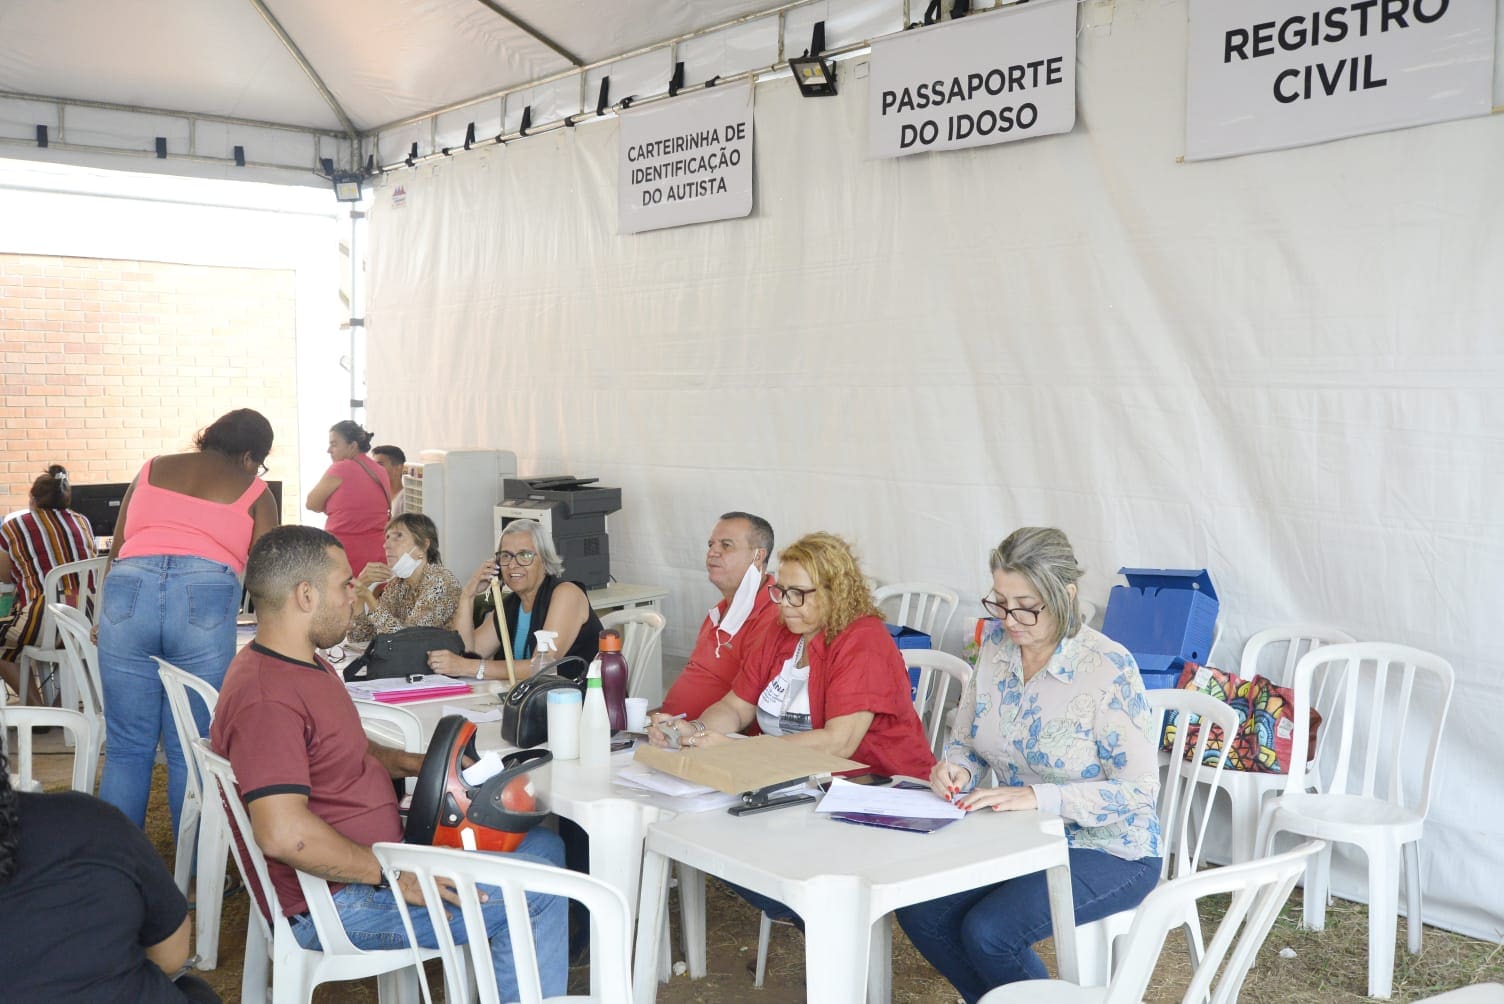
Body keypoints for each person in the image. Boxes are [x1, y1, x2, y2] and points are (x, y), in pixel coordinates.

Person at [210, 526, 566, 997]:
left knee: (543, 848)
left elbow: (353, 751)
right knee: (540, 891)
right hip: (340, 900)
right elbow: (283, 834)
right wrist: (395, 875)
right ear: (305, 595)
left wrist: (426, 764)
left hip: (373, 865)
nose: (353, 596)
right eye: (345, 585)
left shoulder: (305, 664)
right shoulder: (267, 698)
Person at [895, 527, 1163, 1002]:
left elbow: (1139, 790)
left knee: (989, 932)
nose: (1009, 619)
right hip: (1022, 838)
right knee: (922, 912)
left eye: (1025, 605)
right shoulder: (996, 648)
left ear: (1066, 595)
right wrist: (955, 768)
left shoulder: (1107, 667)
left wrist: (1038, 797)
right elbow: (968, 741)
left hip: (1111, 847)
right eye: (999, 602)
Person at [98, 409, 278, 835]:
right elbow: (268, 576)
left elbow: (118, 548)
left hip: (128, 590)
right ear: (250, 456)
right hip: (203, 594)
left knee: (126, 746)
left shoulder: (151, 469)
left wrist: (103, 615)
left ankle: (113, 863)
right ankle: (193, 866)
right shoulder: (256, 491)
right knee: (192, 746)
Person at [649, 531, 934, 779]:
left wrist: (739, 750)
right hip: (794, 776)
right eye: (781, 591)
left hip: (879, 786)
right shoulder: (781, 630)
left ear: (834, 593)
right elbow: (735, 707)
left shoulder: (864, 642)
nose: (784, 604)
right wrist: (694, 730)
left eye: (797, 593)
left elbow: (838, 743)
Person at [0, 751, 221, 1003]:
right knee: (178, 757)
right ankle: (192, 872)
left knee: (126, 755)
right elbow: (171, 956)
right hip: (111, 850)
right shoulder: (85, 823)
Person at [428, 519, 603, 682]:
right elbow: (467, 653)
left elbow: (541, 668)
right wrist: (468, 595)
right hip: (532, 697)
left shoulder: (567, 594)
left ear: (544, 559)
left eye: (524, 555)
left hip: (579, 699)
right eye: (506, 556)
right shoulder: (511, 605)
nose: (512, 565)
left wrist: (468, 667)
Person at [658, 511, 782, 721]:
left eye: (726, 545)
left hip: (712, 734)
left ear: (758, 557)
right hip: (672, 728)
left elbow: (749, 706)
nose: (712, 552)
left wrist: (693, 729)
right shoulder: (719, 610)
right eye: (711, 545)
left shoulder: (772, 614)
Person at [0, 465, 98, 707]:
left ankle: (37, 707)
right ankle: (61, 707)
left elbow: (5, 576)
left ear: (33, 499)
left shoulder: (13, 526)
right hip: (88, 622)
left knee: (5, 642)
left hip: (44, 619)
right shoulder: (82, 521)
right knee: (84, 652)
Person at [346, 513, 461, 645]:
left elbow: (408, 641)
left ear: (424, 546)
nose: (386, 545)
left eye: (399, 536)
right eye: (387, 537)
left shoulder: (441, 583)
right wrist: (361, 593)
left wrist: (370, 598)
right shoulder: (397, 584)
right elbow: (360, 638)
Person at [305, 421, 389, 575]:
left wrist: (328, 506)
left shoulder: (340, 468)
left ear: (352, 446)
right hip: (378, 556)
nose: (329, 450)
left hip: (345, 556)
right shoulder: (381, 471)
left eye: (334, 444)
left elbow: (311, 503)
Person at [371, 444, 407, 518]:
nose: (374, 469)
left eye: (380, 465)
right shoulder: (375, 496)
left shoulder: (406, 500)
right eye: (374, 465)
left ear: (398, 468)